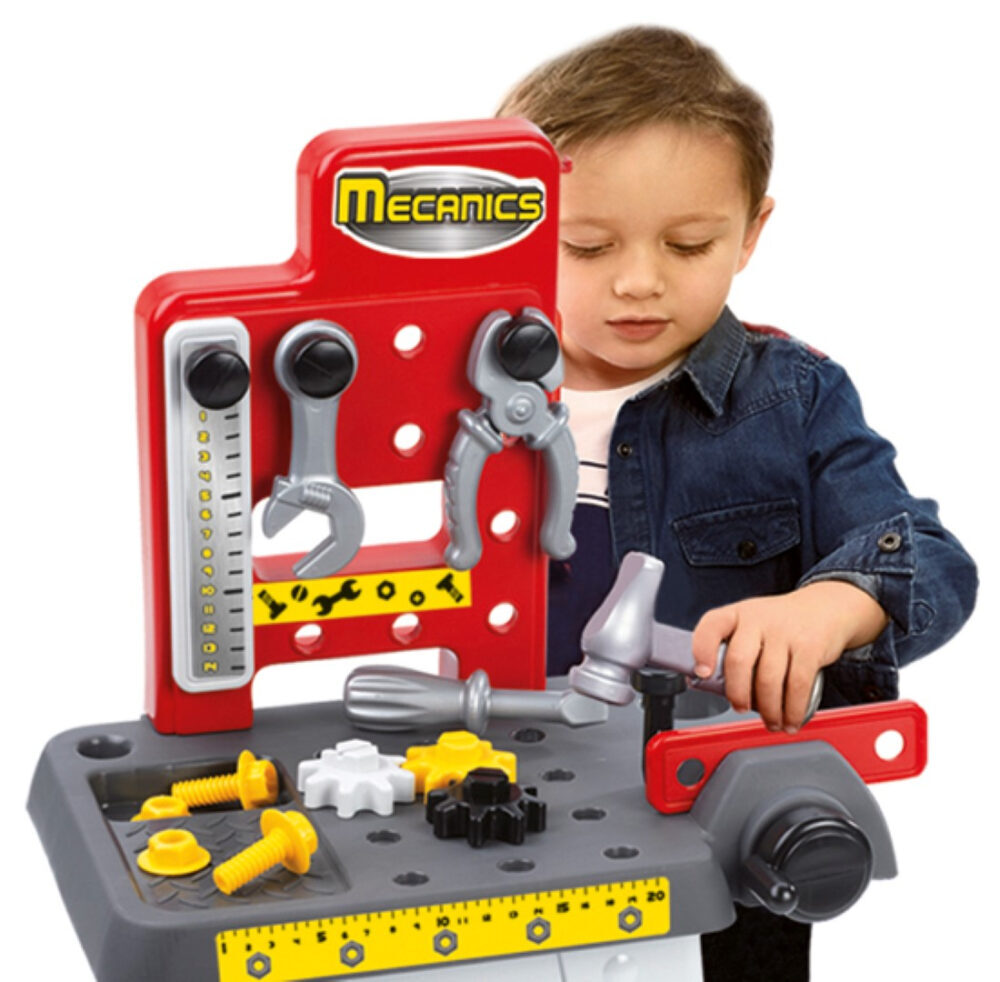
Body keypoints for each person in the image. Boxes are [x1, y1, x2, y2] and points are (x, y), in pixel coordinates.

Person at [497, 25, 978, 982]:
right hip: (511, 804)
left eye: (689, 244)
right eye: (586, 245)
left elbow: (929, 557)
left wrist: (827, 607)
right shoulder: (464, 394)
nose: (639, 281)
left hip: (725, 813)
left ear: (752, 231)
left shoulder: (791, 398)